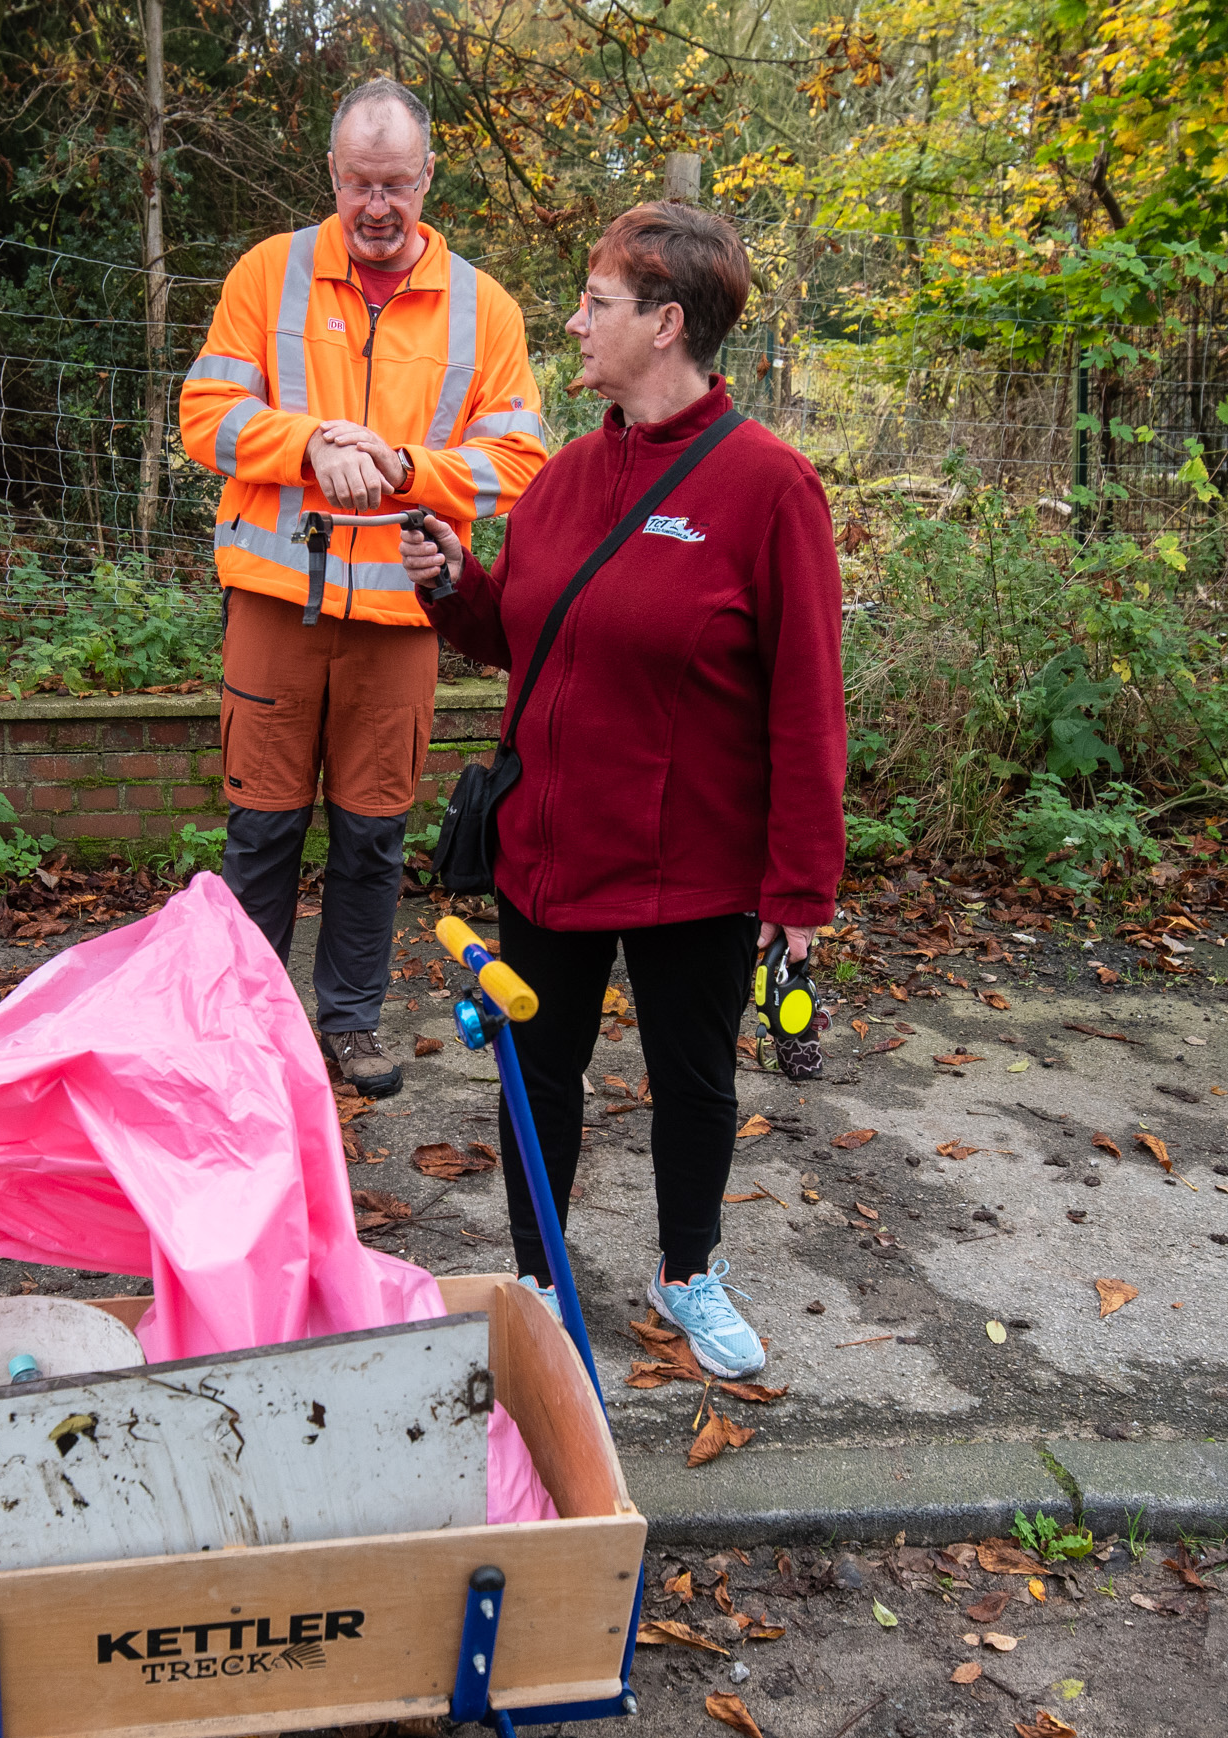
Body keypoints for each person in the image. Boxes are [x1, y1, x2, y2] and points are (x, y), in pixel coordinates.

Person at [402, 201, 843, 1380]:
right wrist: (454, 585)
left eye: (594, 301)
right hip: (545, 844)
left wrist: (800, 886)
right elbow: (515, 633)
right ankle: (538, 1284)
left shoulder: (768, 488)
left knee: (693, 1078)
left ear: (664, 323)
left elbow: (807, 704)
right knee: (533, 1071)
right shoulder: (561, 478)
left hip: (693, 865)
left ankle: (685, 1268)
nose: (573, 321)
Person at [179, 77, 547, 1099]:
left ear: (428, 177)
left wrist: (395, 465)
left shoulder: (485, 307)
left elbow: (516, 457)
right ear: (330, 175)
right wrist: (311, 443)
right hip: (272, 602)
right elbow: (203, 414)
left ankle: (347, 1025)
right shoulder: (268, 273)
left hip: (402, 611)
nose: (375, 206)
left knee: (373, 835)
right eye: (356, 183)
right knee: (259, 828)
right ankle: (244, 1034)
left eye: (395, 183)